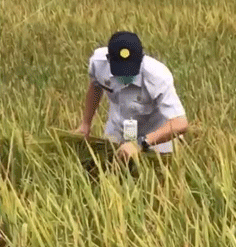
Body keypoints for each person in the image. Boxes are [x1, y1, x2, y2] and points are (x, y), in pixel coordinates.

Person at [74, 31, 188, 161]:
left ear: (141, 58)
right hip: (117, 132)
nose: (125, 75)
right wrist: (86, 124)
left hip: (156, 140)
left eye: (130, 69)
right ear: (109, 59)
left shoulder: (157, 76)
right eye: (120, 70)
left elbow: (180, 123)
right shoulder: (98, 63)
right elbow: (95, 86)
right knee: (109, 171)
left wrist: (141, 143)